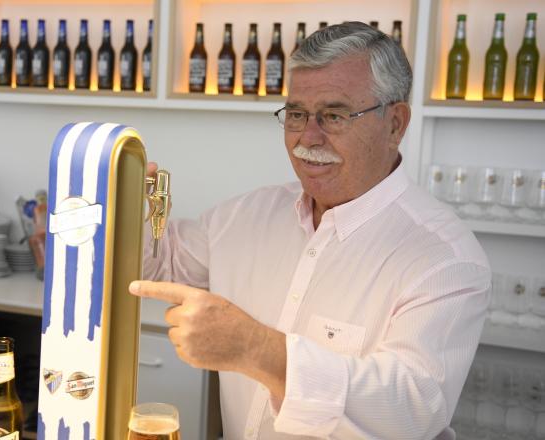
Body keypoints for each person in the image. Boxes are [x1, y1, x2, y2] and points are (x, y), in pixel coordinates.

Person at [130, 21, 490, 439]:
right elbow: (154, 261)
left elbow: (412, 408)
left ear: (395, 124)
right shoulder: (246, 215)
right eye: (297, 114)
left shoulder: (446, 259)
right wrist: (117, 199)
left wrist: (255, 349)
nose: (308, 137)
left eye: (334, 115)